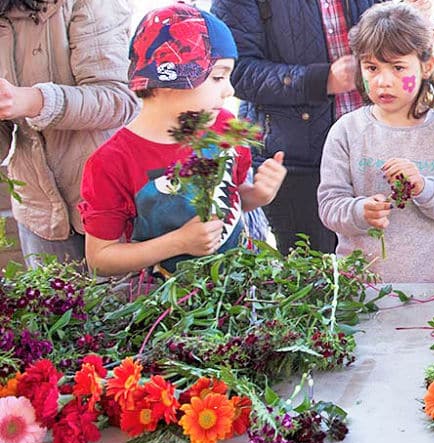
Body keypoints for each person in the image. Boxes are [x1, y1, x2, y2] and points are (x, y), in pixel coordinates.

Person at [78, 3, 286, 276]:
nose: (229, 90)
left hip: (239, 289)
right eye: (217, 77)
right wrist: (177, 243)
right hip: (163, 307)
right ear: (169, 78)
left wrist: (257, 196)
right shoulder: (111, 162)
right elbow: (100, 258)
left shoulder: (225, 126)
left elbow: (233, 196)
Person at [317, 2, 434, 283]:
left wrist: (424, 188)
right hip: (360, 291)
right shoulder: (346, 131)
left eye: (398, 67)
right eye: (371, 68)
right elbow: (330, 206)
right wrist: (360, 211)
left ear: (427, 65)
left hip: (433, 290)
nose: (383, 81)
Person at [211, 0, 378, 255]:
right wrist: (322, 81)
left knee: (382, 273)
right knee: (312, 279)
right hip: (296, 163)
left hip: (375, 151)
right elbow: (237, 71)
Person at [0, 0, 138, 267]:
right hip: (40, 214)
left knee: (118, 306)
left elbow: (119, 99)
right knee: (49, 307)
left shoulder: (90, 4)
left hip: (107, 202)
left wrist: (34, 101)